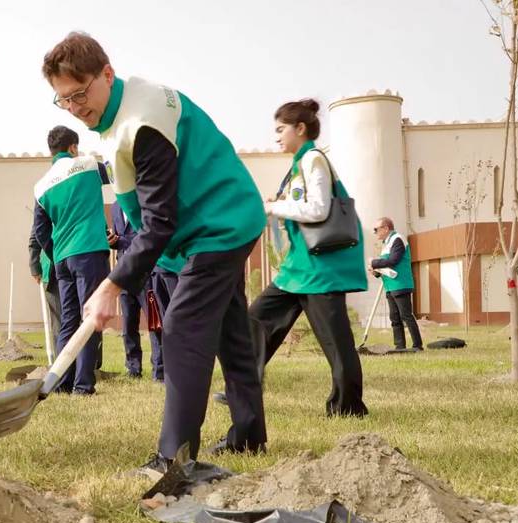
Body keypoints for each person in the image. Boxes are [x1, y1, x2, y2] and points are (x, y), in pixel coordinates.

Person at [42, 32, 268, 470]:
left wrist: (112, 284)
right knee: (230, 331)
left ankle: (173, 457)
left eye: (80, 93)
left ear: (107, 74)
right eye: (63, 100)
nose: (74, 107)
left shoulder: (141, 121)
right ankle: (248, 434)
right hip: (204, 225)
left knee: (182, 324)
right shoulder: (116, 115)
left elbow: (159, 221)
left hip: (220, 223)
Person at [241, 99, 368, 418]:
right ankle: (242, 387)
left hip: (319, 269)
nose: (277, 136)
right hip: (298, 269)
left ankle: (348, 407)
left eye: (281, 129)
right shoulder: (300, 163)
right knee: (255, 321)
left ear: (300, 128)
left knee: (337, 344)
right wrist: (281, 202)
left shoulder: (313, 160)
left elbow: (318, 209)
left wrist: (273, 207)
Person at [33, 125, 110, 395]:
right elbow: (120, 175)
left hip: (62, 258)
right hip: (88, 250)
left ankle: (61, 382)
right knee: (89, 318)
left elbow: (40, 231)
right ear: (73, 147)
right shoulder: (89, 164)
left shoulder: (40, 186)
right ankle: (83, 385)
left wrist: (56, 252)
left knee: (68, 320)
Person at [108, 200, 161, 379]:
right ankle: (133, 368)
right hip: (124, 274)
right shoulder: (115, 206)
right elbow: (119, 236)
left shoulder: (143, 201)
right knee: (128, 324)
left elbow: (148, 235)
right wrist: (113, 241)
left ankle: (159, 370)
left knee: (154, 322)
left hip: (147, 272)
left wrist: (121, 241)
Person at [370, 217, 422, 351]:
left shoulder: (397, 239)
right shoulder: (386, 244)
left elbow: (393, 260)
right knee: (394, 317)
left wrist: (374, 262)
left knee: (406, 315)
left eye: (376, 229)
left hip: (400, 284)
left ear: (386, 228)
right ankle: (399, 346)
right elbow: (385, 266)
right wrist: (375, 272)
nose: (375, 232)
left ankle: (417, 345)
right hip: (390, 285)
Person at [28, 220, 61, 353]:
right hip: (52, 272)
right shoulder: (46, 202)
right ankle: (61, 364)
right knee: (59, 320)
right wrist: (35, 266)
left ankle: (89, 365)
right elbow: (35, 236)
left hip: (81, 269)